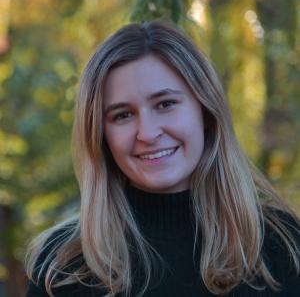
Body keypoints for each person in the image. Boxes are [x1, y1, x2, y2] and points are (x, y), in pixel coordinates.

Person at [25, 21, 300, 297]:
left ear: (205, 110)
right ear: (100, 135)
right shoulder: (62, 267)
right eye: (122, 115)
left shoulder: (281, 245)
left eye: (165, 104)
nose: (147, 133)